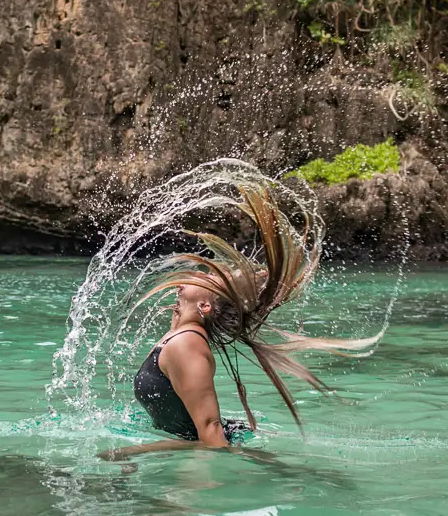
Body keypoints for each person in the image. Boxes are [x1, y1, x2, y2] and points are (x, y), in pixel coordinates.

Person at [103, 184, 383, 460]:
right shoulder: (179, 332)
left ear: (204, 306)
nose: (196, 275)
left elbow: (212, 438)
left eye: (207, 279)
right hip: (186, 446)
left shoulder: (187, 344)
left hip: (206, 455)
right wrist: (249, 281)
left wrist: (138, 451)